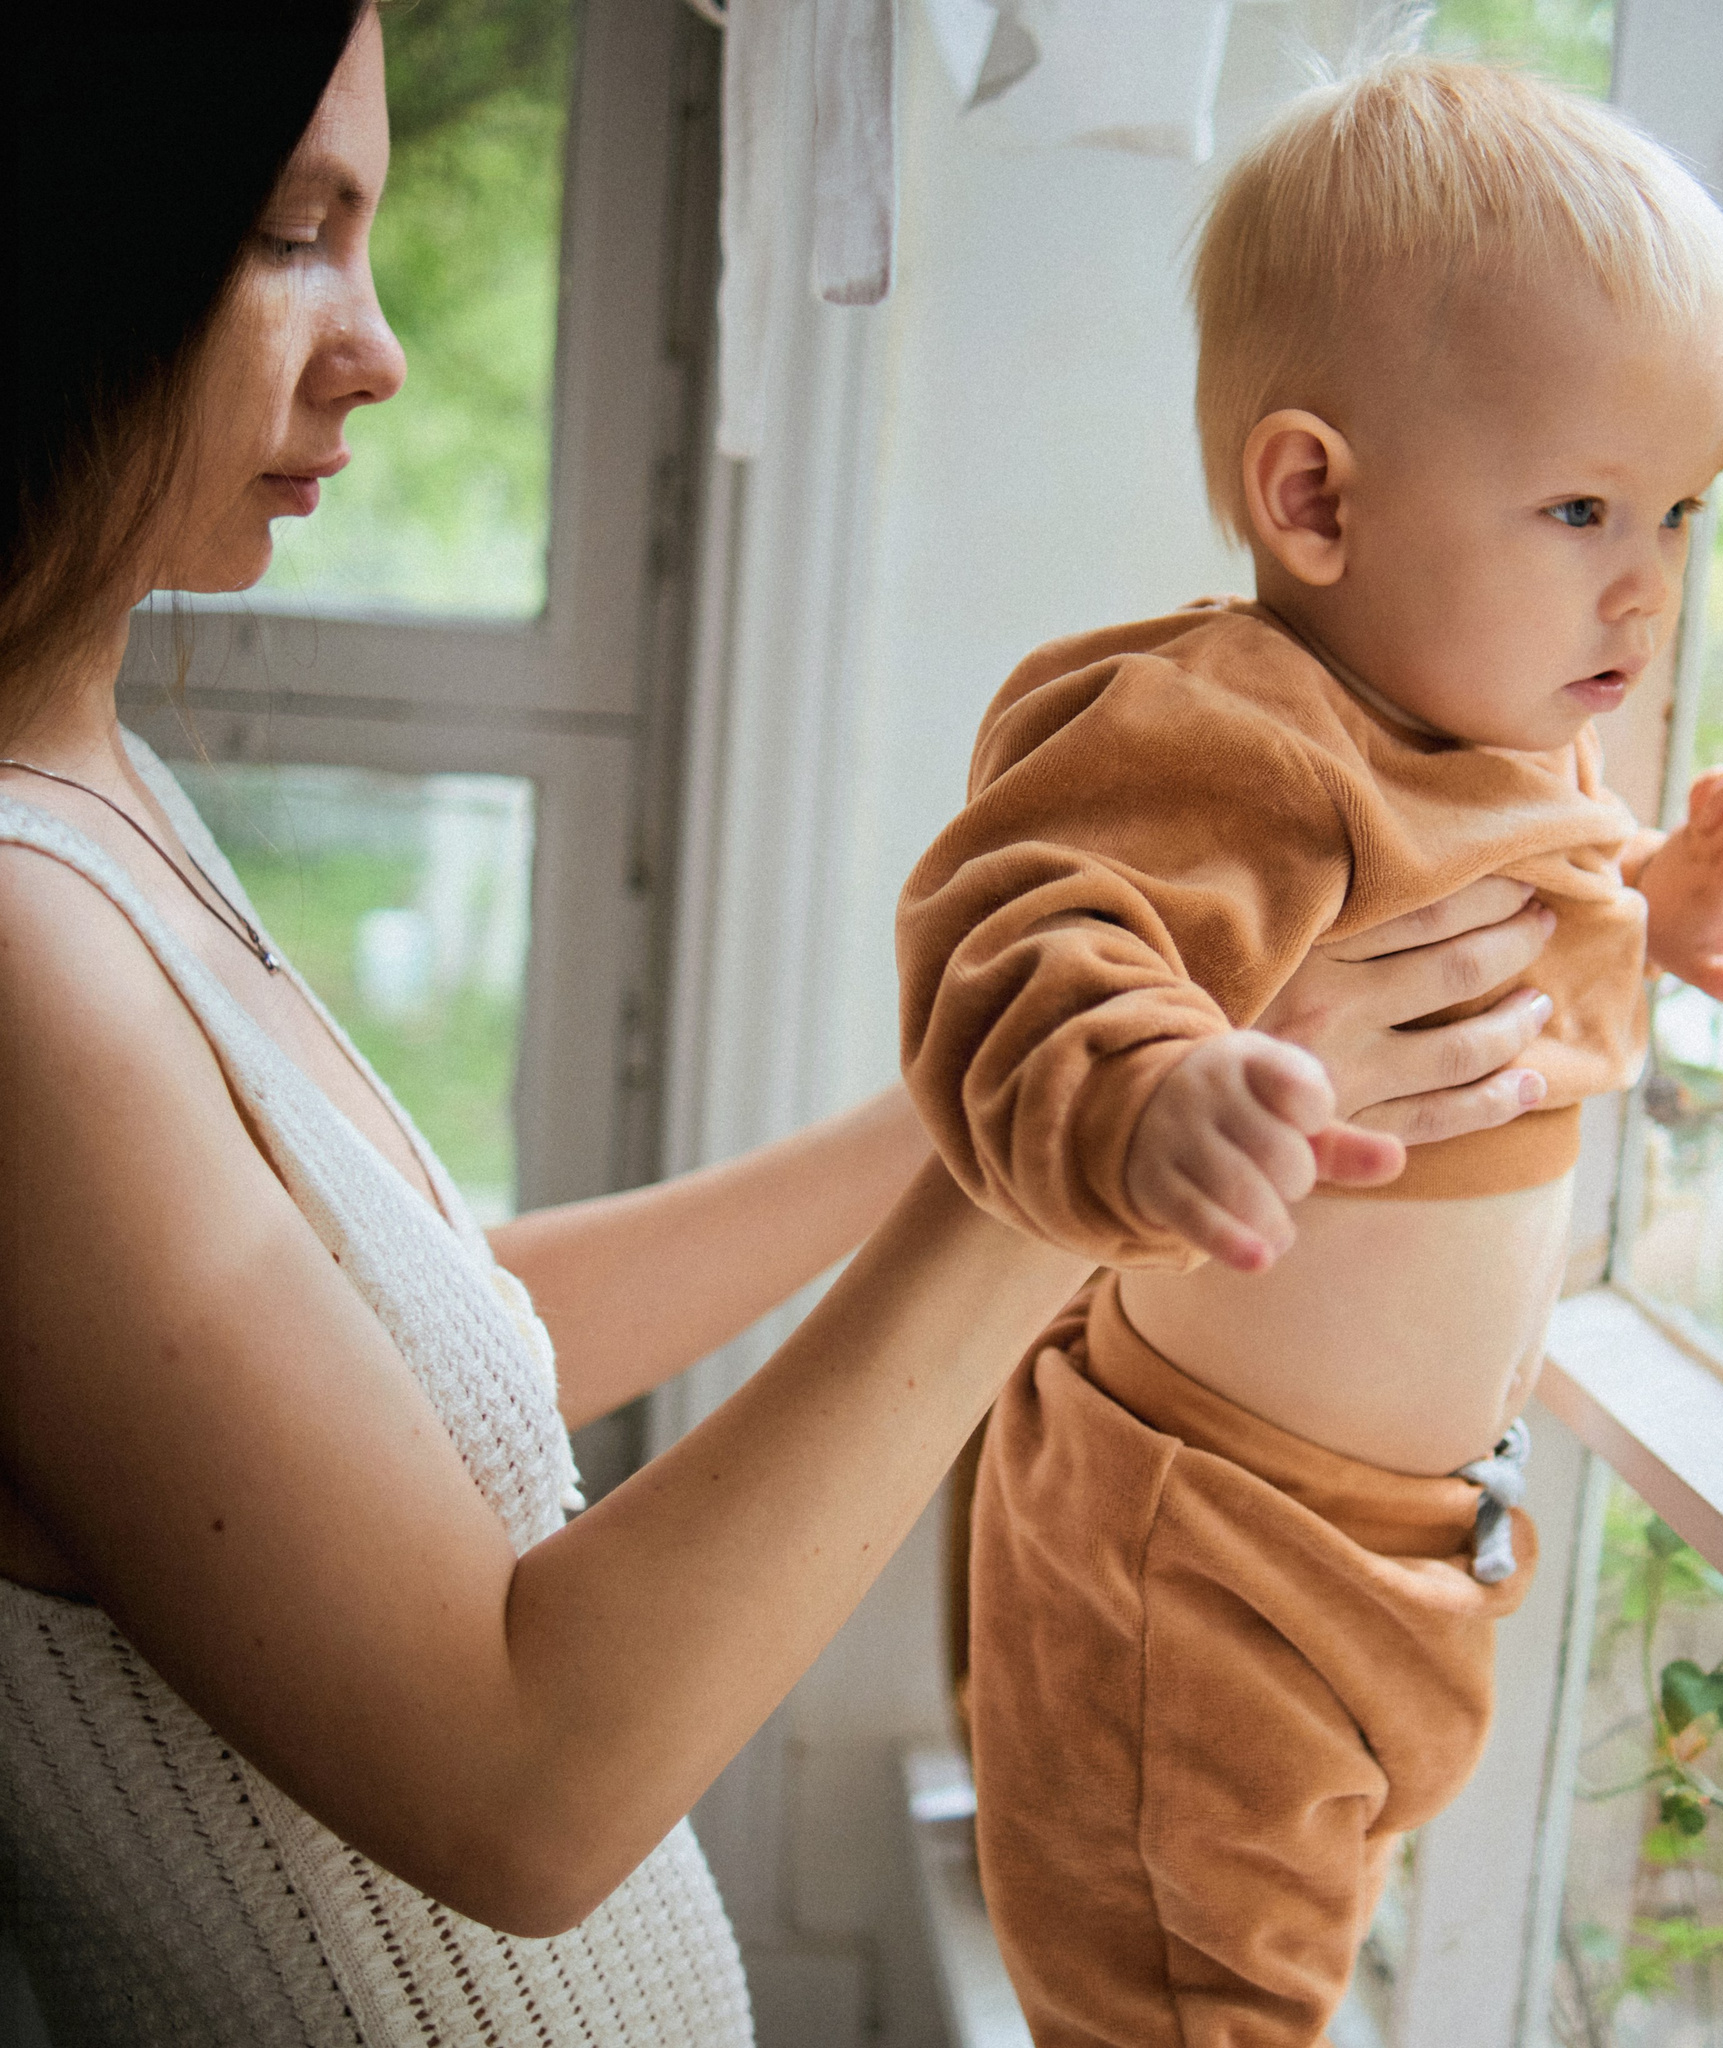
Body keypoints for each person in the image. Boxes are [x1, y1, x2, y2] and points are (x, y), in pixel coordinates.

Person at [0, 10, 1563, 2040]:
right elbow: (519, 1787)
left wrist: (1015, 1088)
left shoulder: (90, 798)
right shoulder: (22, 952)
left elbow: (422, 1344)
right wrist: (1088, 1176)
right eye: (293, 236)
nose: (375, 346)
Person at [896, 54, 1723, 2048]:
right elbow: (1020, 937)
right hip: (1199, 1563)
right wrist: (1148, 1091)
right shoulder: (1227, 730)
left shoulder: (1500, 751)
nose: (1644, 580)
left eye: (1671, 508)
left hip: (1405, 1549)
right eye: (1576, 505)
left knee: (1302, 1969)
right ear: (1311, 495)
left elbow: (1494, 993)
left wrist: (1651, 916)